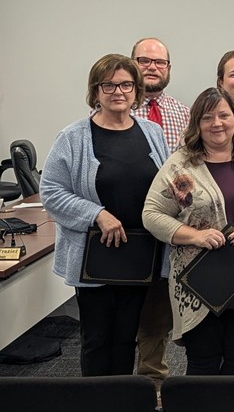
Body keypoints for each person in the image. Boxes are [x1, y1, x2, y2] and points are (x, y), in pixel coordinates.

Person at [143, 88, 234, 375]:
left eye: (224, 115)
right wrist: (194, 235)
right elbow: (151, 214)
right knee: (203, 362)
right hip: (198, 284)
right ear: (197, 123)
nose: (217, 123)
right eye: (207, 117)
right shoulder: (180, 163)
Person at [41, 54, 169, 376]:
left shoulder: (152, 132)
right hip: (94, 257)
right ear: (95, 91)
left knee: (127, 338)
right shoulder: (73, 137)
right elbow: (51, 191)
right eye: (108, 84)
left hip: (140, 255)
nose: (118, 91)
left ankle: (122, 408)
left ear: (136, 89)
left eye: (126, 84)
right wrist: (96, 214)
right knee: (97, 339)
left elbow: (166, 184)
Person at [131, 36, 191, 388]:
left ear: (168, 69)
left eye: (160, 63)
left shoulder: (182, 112)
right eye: (145, 61)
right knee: (121, 318)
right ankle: (114, 392)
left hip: (168, 233)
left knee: (157, 318)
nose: (153, 67)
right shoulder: (115, 108)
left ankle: (153, 389)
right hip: (125, 234)